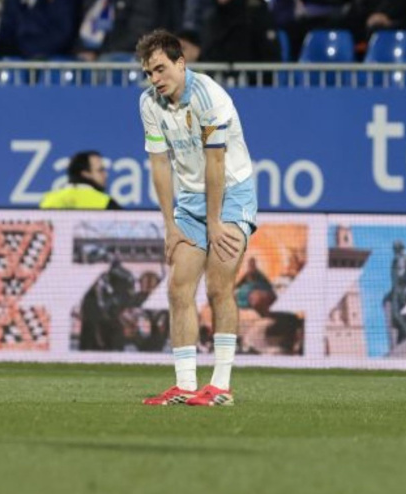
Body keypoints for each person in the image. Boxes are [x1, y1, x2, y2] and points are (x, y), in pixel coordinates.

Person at [137, 30, 256, 407]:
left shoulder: (210, 97)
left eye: (160, 69)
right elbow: (159, 165)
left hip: (232, 194)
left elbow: (216, 162)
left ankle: (220, 386)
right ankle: (186, 385)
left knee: (219, 286)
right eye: (149, 73)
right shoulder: (148, 104)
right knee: (178, 288)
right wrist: (171, 225)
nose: (155, 79)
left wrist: (215, 221)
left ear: (180, 62)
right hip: (189, 201)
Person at [39, 151, 121, 210]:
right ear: (85, 173)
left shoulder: (49, 200)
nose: (106, 175)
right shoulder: (105, 202)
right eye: (100, 170)